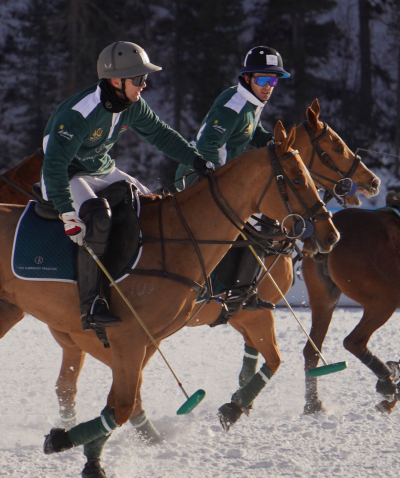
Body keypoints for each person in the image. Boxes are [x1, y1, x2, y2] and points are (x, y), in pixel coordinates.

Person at [41, 41, 208, 332]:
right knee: (98, 219)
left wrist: (197, 161)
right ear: (116, 81)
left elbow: (160, 134)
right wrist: (67, 214)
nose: (144, 85)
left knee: (152, 205)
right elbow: (53, 166)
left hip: (101, 168)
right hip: (67, 175)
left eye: (146, 79)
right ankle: (91, 304)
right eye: (139, 79)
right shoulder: (78, 113)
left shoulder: (131, 104)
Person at [174, 46, 290, 315]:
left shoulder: (251, 101)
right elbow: (208, 145)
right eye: (262, 79)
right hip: (199, 178)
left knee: (262, 224)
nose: (268, 86)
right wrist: (224, 185)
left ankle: (242, 291)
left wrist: (271, 142)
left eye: (273, 81)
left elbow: (252, 132)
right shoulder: (234, 104)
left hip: (219, 178)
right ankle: (237, 293)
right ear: (247, 78)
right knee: (258, 226)